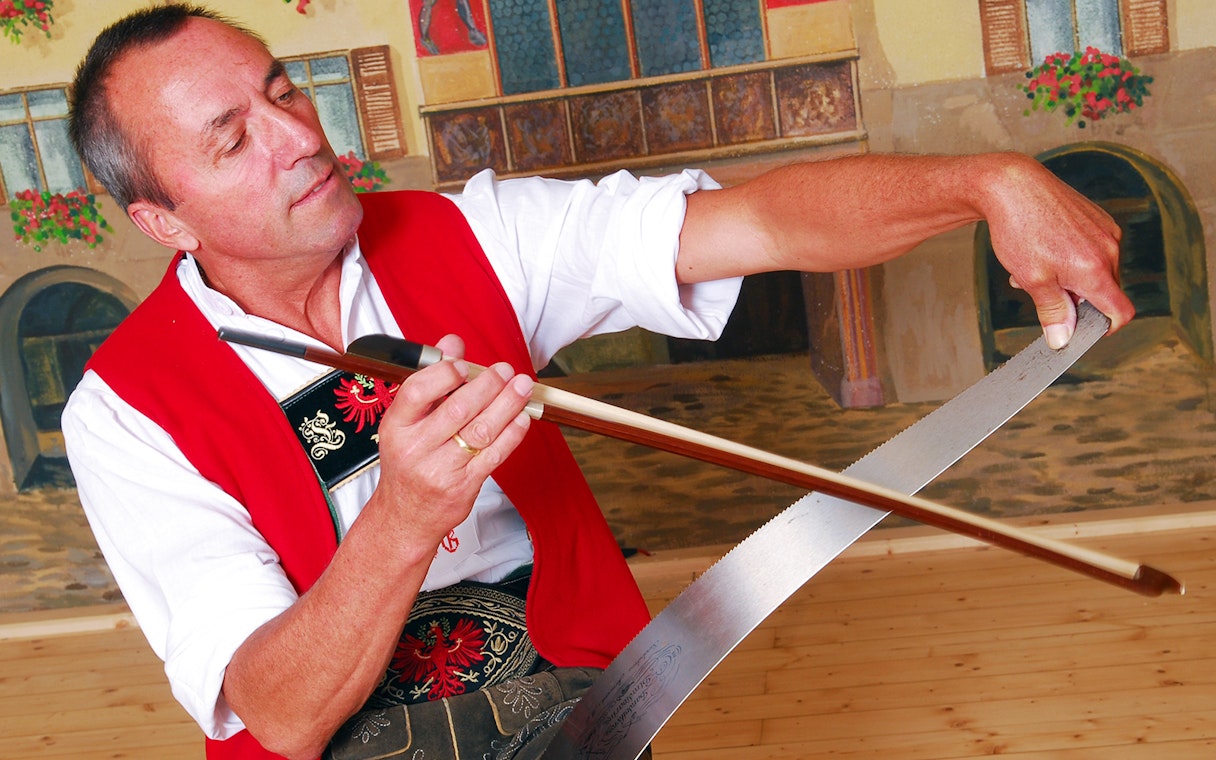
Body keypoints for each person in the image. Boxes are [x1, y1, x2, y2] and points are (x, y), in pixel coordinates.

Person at [62, 4, 1135, 760]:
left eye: (284, 90)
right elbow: (277, 714)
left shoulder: (474, 231)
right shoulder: (123, 412)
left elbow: (758, 218)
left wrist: (986, 180)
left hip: (572, 685)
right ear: (163, 218)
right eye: (233, 137)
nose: (300, 139)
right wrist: (401, 518)